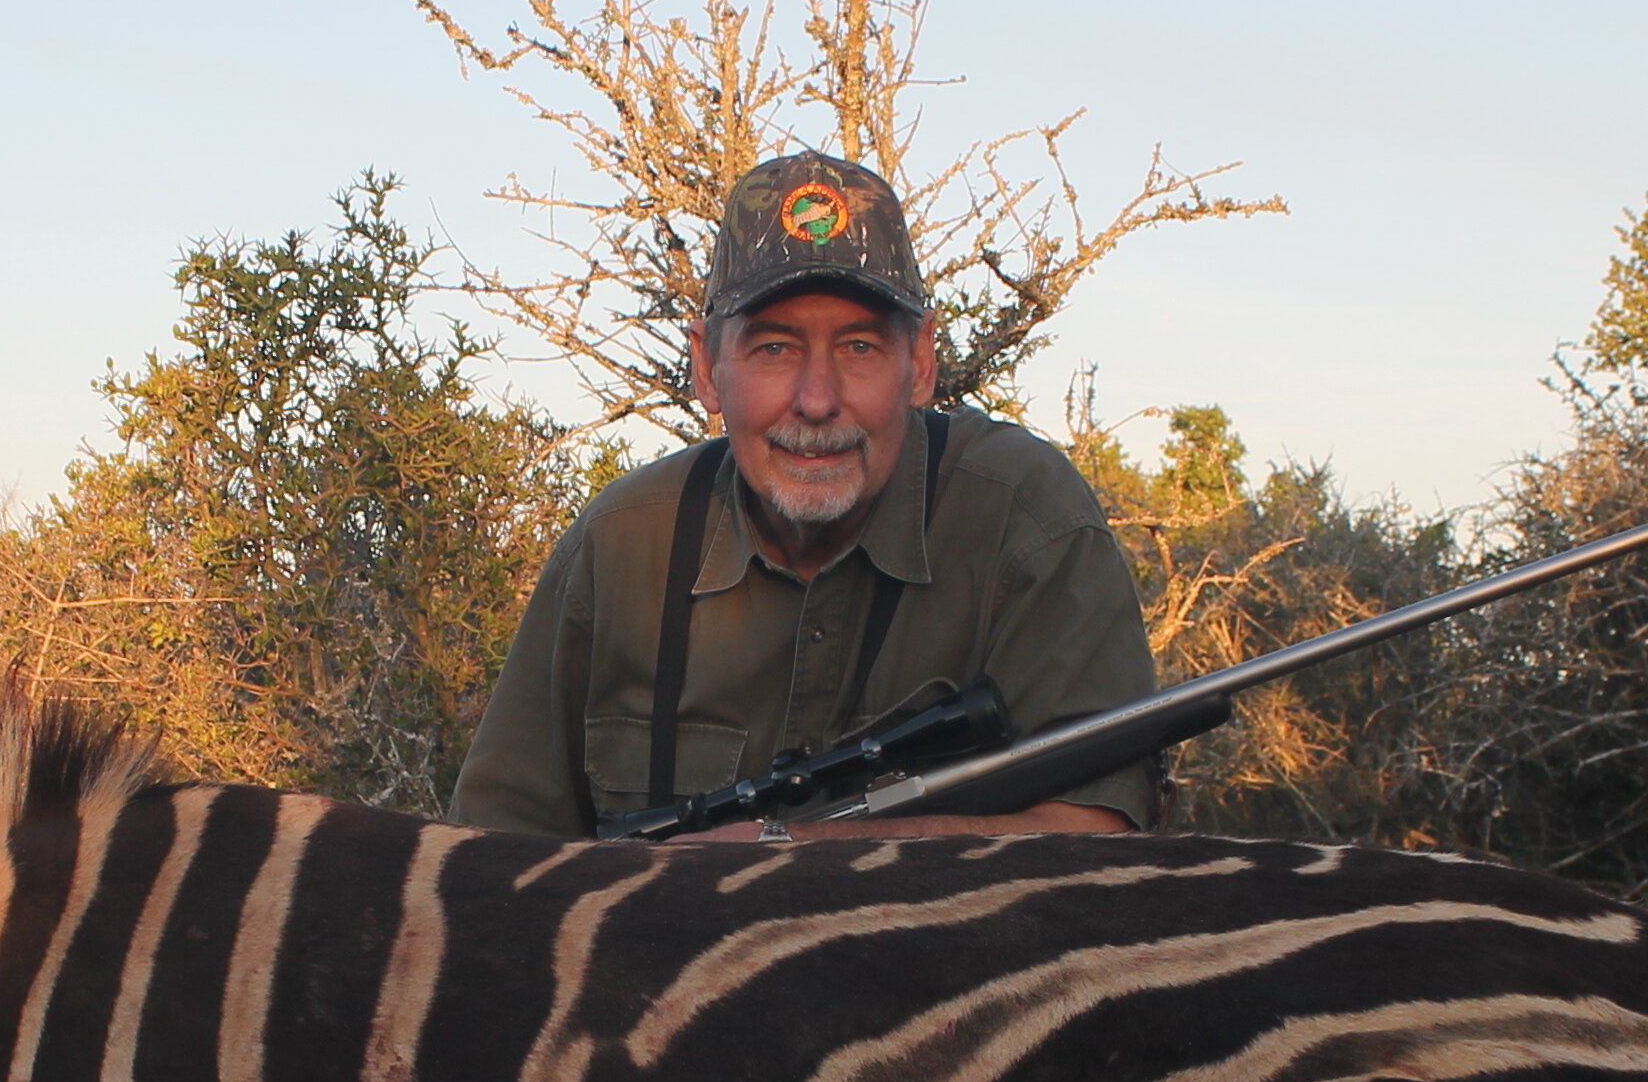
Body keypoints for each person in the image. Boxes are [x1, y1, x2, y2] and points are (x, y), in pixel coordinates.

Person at [451, 151, 1160, 843]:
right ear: (706, 368)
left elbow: (1095, 832)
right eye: (774, 349)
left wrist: (783, 850)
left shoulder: (1029, 520)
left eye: (859, 348)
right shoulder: (622, 543)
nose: (817, 402)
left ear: (919, 363)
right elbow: (494, 854)